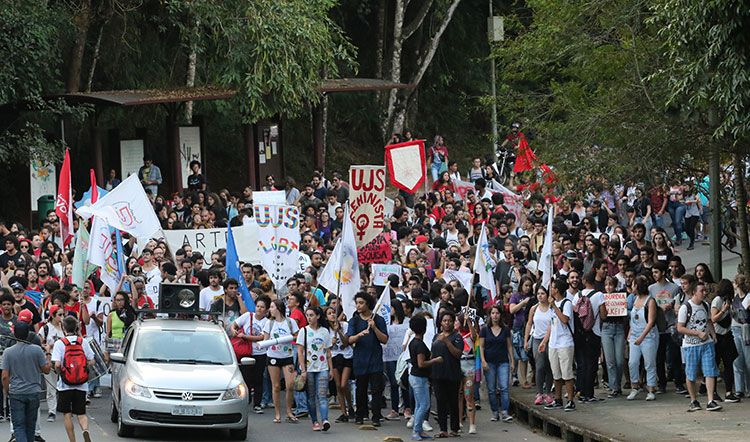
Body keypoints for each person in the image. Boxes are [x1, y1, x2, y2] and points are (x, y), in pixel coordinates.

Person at [2, 322, 50, 442]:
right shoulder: (37, 350)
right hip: (33, 391)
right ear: (28, 334)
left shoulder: (8, 352)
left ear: (14, 334)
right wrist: (48, 353)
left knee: (18, 426)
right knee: (30, 425)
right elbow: (46, 370)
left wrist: (7, 390)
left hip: (16, 391)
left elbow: (4, 376)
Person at [678, 281, 722, 412]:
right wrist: (697, 333)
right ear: (694, 292)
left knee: (710, 371)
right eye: (702, 291)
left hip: (706, 343)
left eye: (705, 290)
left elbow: (708, 320)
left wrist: (713, 334)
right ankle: (693, 400)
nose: (705, 293)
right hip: (691, 345)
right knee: (691, 374)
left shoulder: (706, 305)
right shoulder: (685, 308)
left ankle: (710, 400)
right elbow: (680, 328)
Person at [347, 292, 388, 426]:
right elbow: (349, 339)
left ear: (368, 304)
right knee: (361, 390)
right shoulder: (355, 320)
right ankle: (360, 414)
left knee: (376, 390)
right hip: (360, 360)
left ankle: (376, 416)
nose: (358, 306)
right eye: (357, 303)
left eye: (361, 303)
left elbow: (385, 339)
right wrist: (359, 335)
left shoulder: (379, 319)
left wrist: (375, 328)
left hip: (375, 360)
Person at [51, 316, 95, 442]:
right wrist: (83, 368)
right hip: (81, 384)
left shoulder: (60, 344)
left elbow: (57, 364)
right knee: (81, 414)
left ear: (63, 328)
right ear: (76, 328)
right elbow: (92, 360)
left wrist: (61, 374)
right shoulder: (83, 342)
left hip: (65, 385)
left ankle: (72, 440)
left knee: (67, 414)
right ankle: (85, 430)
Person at [262, 299, 299, 423]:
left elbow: (297, 335)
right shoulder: (269, 323)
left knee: (290, 385)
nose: (270, 309)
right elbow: (265, 339)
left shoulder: (290, 322)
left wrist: (288, 338)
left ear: (278, 308)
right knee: (276, 386)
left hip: (287, 356)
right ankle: (277, 413)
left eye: (272, 307)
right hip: (273, 356)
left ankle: (289, 411)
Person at [231, 296, 270, 414]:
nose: (259, 309)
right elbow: (235, 324)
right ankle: (245, 402)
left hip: (260, 353)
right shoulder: (248, 316)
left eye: (262, 307)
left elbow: (261, 337)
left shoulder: (267, 322)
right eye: (258, 306)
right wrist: (234, 330)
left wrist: (245, 337)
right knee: (245, 377)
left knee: (258, 378)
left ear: (266, 310)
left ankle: (257, 404)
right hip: (245, 352)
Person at [296, 306, 333, 432]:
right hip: (309, 368)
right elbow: (300, 352)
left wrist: (331, 369)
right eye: (307, 315)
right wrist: (303, 370)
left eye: (311, 315)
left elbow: (328, 352)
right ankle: (315, 421)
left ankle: (325, 420)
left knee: (322, 396)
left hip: (323, 367)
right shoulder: (303, 331)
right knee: (311, 397)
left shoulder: (324, 331)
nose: (309, 318)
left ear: (318, 316)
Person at [542, 279, 576, 412]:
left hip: (565, 342)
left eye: (553, 287)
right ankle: (558, 399)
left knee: (567, 373)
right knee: (556, 373)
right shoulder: (553, 304)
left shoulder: (566, 303)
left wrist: (554, 307)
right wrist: (545, 341)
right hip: (554, 343)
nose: (551, 289)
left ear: (557, 290)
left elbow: (564, 319)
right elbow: (552, 324)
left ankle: (570, 400)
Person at [408, 315, 443, 441]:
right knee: (424, 404)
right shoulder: (420, 345)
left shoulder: (413, 342)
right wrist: (435, 360)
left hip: (414, 376)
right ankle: (416, 430)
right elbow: (421, 363)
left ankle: (419, 430)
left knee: (419, 404)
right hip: (419, 377)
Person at [431, 309, 463, 438]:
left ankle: (454, 428)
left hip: (452, 374)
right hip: (437, 374)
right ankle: (443, 429)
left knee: (452, 402)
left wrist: (447, 342)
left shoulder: (457, 337)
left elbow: (458, 354)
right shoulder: (436, 336)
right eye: (445, 321)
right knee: (440, 401)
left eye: (450, 321)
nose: (447, 323)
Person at [627, 275, 658, 401]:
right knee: (632, 362)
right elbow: (633, 319)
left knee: (649, 363)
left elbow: (651, 322)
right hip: (634, 334)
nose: (632, 287)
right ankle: (634, 386)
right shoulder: (634, 299)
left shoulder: (650, 301)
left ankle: (651, 389)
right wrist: (630, 332)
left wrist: (642, 337)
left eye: (634, 285)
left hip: (648, 336)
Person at [482, 304, 514, 421]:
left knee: (504, 387)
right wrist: (483, 361)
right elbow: (481, 347)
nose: (495, 316)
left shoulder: (505, 329)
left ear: (501, 315)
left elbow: (509, 346)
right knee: (491, 388)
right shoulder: (485, 329)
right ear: (490, 315)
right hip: (489, 361)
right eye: (493, 313)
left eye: (497, 313)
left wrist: (512, 361)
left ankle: (505, 411)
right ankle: (495, 412)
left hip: (503, 361)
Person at [710, 279, 740, 402]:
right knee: (715, 364)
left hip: (727, 334)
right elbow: (713, 318)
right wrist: (723, 310)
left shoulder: (729, 301)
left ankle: (729, 392)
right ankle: (713, 392)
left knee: (729, 364)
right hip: (718, 335)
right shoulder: (717, 300)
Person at [524, 286, 554, 407]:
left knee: (549, 366)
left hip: (550, 340)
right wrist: (526, 340)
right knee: (540, 366)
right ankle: (539, 392)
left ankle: (548, 392)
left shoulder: (552, 308)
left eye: (542, 293)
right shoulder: (534, 308)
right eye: (538, 294)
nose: (540, 296)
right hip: (537, 338)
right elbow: (529, 323)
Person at [326, 306, 354, 422]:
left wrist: (339, 331)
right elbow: (327, 348)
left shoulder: (345, 325)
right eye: (329, 313)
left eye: (334, 312)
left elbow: (346, 342)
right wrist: (331, 343)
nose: (332, 315)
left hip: (346, 356)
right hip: (334, 358)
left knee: (344, 384)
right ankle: (344, 412)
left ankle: (350, 407)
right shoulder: (326, 330)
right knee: (338, 385)